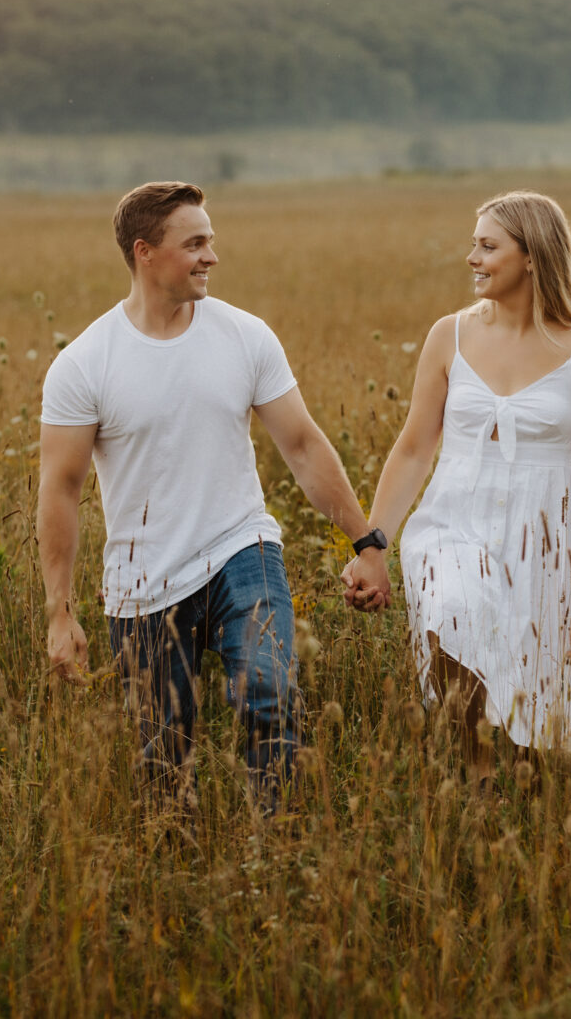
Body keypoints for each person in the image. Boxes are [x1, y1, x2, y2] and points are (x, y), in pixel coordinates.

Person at [38, 181, 391, 805]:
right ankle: (177, 863)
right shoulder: (85, 363)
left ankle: (275, 845)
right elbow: (60, 492)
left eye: (212, 241)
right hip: (142, 581)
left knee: (269, 690)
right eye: (195, 243)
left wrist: (366, 541)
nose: (211, 256)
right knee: (163, 753)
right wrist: (59, 612)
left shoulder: (245, 336)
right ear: (145, 252)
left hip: (242, 548)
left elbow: (304, 446)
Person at [342, 190, 571, 783]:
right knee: (453, 613)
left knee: (532, 692)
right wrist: (374, 545)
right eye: (474, 243)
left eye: (487, 246)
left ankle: (522, 792)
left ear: (531, 256)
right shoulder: (449, 335)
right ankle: (477, 773)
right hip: (452, 522)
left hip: (546, 537)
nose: (472, 257)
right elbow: (416, 446)